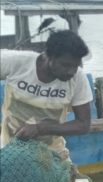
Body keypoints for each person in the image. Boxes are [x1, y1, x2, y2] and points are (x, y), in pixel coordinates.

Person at [0, 30, 92, 158]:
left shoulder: (78, 78)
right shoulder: (17, 62)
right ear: (48, 56)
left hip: (52, 157)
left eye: (75, 66)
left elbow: (83, 125)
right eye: (65, 65)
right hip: (10, 151)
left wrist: (40, 129)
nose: (71, 72)